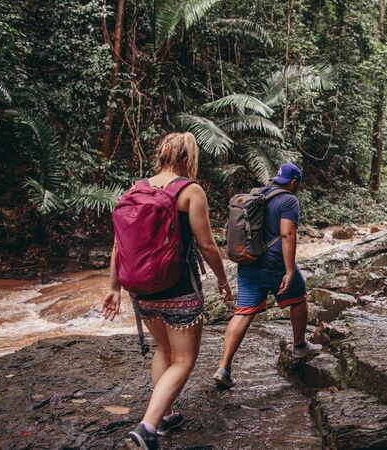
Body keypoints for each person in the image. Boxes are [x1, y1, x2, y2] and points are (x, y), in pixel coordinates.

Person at [101, 132, 232, 450]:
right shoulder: (190, 191)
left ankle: (166, 414)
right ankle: (147, 428)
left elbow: (120, 243)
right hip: (179, 288)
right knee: (184, 360)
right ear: (188, 158)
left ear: (162, 154)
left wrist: (114, 287)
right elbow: (206, 244)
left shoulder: (137, 188)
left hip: (141, 289)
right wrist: (223, 279)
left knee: (164, 350)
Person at [213, 162, 321, 388]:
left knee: (242, 313)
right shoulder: (289, 199)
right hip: (274, 262)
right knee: (299, 298)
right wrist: (290, 270)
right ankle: (300, 346)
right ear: (294, 182)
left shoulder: (257, 194)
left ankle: (223, 368)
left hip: (248, 260)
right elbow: (287, 235)